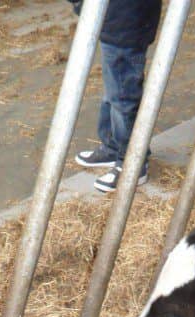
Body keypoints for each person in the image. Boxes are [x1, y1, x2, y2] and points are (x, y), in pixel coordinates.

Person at [72, 0, 162, 193]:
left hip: (126, 22)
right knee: (113, 92)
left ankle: (132, 163)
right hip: (116, 20)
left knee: (123, 98)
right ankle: (113, 147)